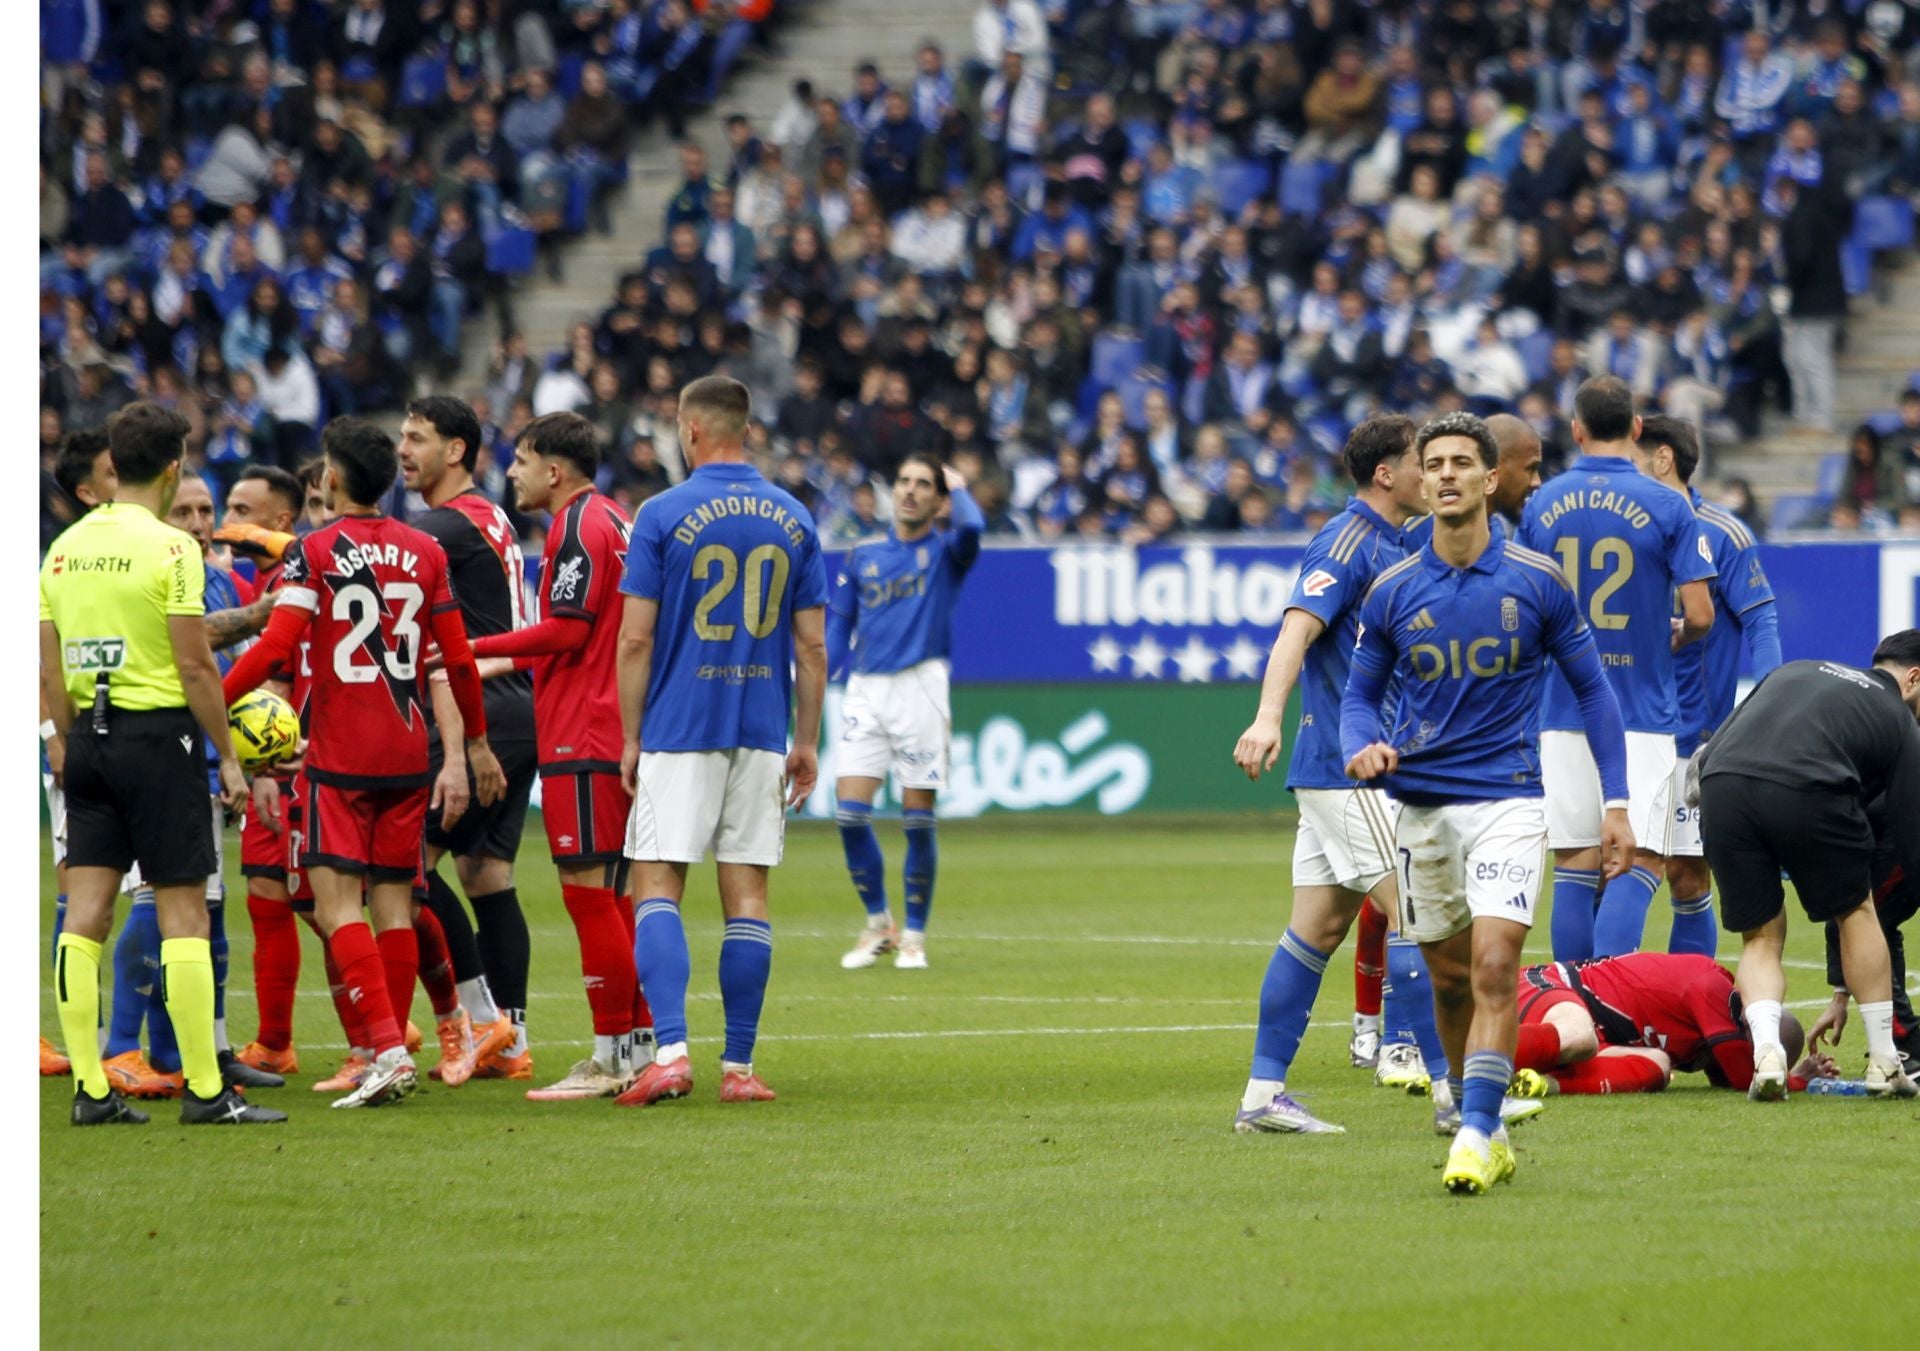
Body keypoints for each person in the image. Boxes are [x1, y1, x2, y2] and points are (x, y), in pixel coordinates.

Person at [1341, 411, 1634, 1195]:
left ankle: (1474, 1129)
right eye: (1433, 462)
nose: (1445, 474)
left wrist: (1616, 800)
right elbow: (1359, 698)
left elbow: (1594, 692)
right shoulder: (1392, 590)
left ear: (1489, 477)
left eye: (1461, 462)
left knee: (1496, 965)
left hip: (1510, 798)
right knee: (1448, 981)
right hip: (1422, 808)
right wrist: (1361, 744)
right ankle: (1482, 1115)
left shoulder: (1537, 580)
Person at [220, 417, 507, 1109]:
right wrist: (472, 741)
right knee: (395, 905)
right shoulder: (425, 550)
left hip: (339, 753)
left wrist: (210, 700)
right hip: (408, 754)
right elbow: (457, 660)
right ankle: (389, 1053)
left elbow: (274, 647)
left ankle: (385, 1050)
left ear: (332, 478)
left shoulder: (314, 551)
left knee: (335, 902)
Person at [40, 402, 280, 1126]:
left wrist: (70, 739)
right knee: (184, 916)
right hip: (158, 739)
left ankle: (91, 1090)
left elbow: (48, 668)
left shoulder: (63, 550)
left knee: (85, 915)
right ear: (173, 468)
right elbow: (196, 664)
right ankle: (206, 1091)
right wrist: (228, 758)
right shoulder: (173, 550)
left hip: (87, 741)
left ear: (115, 463)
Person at [1228, 416, 1447, 1135]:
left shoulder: (1399, 543)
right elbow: (1296, 628)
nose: (1430, 475)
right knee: (1418, 909)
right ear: (1386, 473)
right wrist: (1267, 718)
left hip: (1353, 766)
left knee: (1316, 929)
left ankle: (1262, 1096)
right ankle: (1456, 1096)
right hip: (1347, 767)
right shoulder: (1346, 540)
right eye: (1420, 463)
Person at [614, 376, 829, 1107]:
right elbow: (812, 647)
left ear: (691, 430)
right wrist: (806, 740)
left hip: (680, 725)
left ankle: (672, 1053)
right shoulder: (794, 516)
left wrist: (631, 735)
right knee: (748, 894)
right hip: (761, 730)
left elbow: (635, 638)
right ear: (747, 429)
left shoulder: (661, 513)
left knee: (655, 882)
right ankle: (738, 1067)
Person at [469, 412, 656, 1101]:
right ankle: (638, 1048)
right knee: (616, 896)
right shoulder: (617, 520)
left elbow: (569, 630)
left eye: (520, 460)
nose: (511, 472)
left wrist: (476, 648)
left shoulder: (576, 525)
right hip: (616, 726)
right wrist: (503, 662)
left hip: (585, 729)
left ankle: (610, 1057)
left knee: (587, 894)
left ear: (553, 470)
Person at [1519, 377, 1716, 961]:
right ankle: (1609, 1002)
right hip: (1641, 711)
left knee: (1576, 864)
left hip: (1562, 709)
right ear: (1635, 427)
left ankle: (1571, 1001)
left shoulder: (1542, 503)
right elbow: (1700, 613)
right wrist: (1677, 634)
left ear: (1576, 429)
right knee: (1640, 860)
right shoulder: (1669, 504)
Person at [1694, 631, 1920, 1099]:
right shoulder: (1898, 716)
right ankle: (1885, 1061)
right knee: (1856, 912)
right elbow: (1909, 823)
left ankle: (1767, 1054)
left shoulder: (1795, 670)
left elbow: (1712, 752)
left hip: (1721, 784)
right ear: (1914, 678)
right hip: (1809, 785)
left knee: (1760, 937)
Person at [397, 397, 536, 1083]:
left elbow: (372, 560)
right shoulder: (490, 516)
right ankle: (510, 1040)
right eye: (401, 436)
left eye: (417, 437)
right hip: (515, 702)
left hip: (475, 702)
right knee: (485, 874)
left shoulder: (442, 526)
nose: (404, 449)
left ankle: (483, 1019)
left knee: (405, 871)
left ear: (455, 450)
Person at [1631, 416, 1782, 954]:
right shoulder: (1619, 528)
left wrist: (1768, 709)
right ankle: (1598, 995)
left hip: (1691, 736)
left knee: (1687, 875)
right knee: (1615, 869)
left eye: (1632, 458)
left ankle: (1683, 998)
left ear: (1663, 458)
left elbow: (1761, 621)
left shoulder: (1723, 533)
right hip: (1623, 729)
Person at [829, 455, 983, 972]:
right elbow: (840, 623)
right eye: (904, 482)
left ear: (938, 501)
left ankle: (914, 935)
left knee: (917, 820)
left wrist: (959, 489)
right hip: (865, 689)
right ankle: (879, 924)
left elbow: (974, 528)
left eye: (923, 485)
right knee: (850, 814)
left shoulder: (946, 553)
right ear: (892, 491)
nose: (911, 491)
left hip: (921, 686)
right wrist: (821, 674)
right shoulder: (863, 555)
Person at [220, 466, 312, 1077]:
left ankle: (389, 1030)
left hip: (298, 758)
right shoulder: (255, 582)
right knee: (266, 892)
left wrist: (260, 766)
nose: (227, 523)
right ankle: (276, 1041)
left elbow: (279, 676)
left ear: (279, 522)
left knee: (325, 901)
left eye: (240, 511)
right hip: (269, 758)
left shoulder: (295, 579)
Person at [1509, 953, 1821, 1096]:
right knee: (1579, 1037)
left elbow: (1728, 1081)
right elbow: (1741, 1078)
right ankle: (1482, 1057)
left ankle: (1539, 1085)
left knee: (1658, 1067)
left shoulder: (1712, 1042)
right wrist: (1796, 1080)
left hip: (1598, 1034)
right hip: (1556, 985)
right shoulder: (1713, 986)